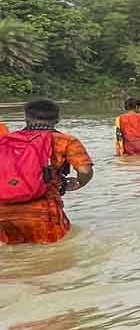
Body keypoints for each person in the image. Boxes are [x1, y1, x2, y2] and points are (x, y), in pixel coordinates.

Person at [0, 100, 94, 245]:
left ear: (26, 118)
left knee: (14, 257)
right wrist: (79, 182)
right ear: (57, 119)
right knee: (56, 260)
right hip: (44, 213)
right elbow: (84, 170)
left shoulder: (6, 140)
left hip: (4, 213)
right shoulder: (66, 141)